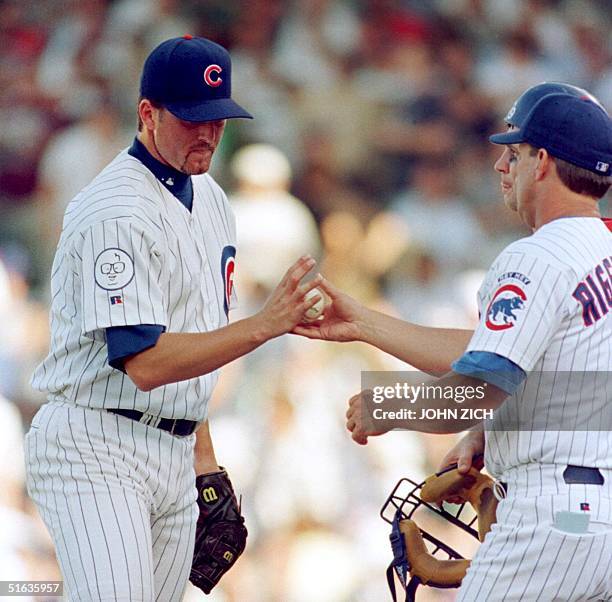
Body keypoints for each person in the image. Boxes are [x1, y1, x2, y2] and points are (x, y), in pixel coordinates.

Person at [25, 35, 322, 602]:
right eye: (191, 120)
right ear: (147, 114)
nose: (208, 133)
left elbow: (196, 343)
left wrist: (204, 458)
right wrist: (266, 323)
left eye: (218, 119)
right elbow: (146, 361)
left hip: (174, 445)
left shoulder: (212, 200)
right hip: (97, 442)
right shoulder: (116, 209)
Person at [295, 85, 612, 600]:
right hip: (597, 523)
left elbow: (484, 383)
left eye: (514, 153)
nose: (500, 167)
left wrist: (389, 402)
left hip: (550, 516)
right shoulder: (602, 245)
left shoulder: (536, 257)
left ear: (543, 162)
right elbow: (519, 352)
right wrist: (365, 323)